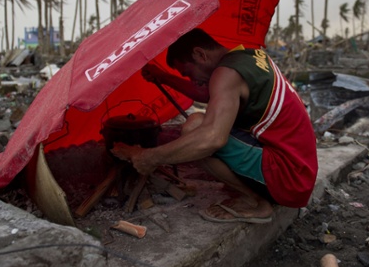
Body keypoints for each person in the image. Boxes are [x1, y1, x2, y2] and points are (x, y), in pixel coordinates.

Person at [111, 28, 317, 223]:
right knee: (200, 125)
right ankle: (253, 190)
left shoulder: (226, 73)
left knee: (195, 128)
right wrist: (163, 77)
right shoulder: (248, 56)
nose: (193, 80)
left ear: (200, 54)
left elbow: (212, 139)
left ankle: (255, 202)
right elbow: (209, 93)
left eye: (189, 73)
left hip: (290, 178)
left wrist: (149, 157)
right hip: (301, 169)